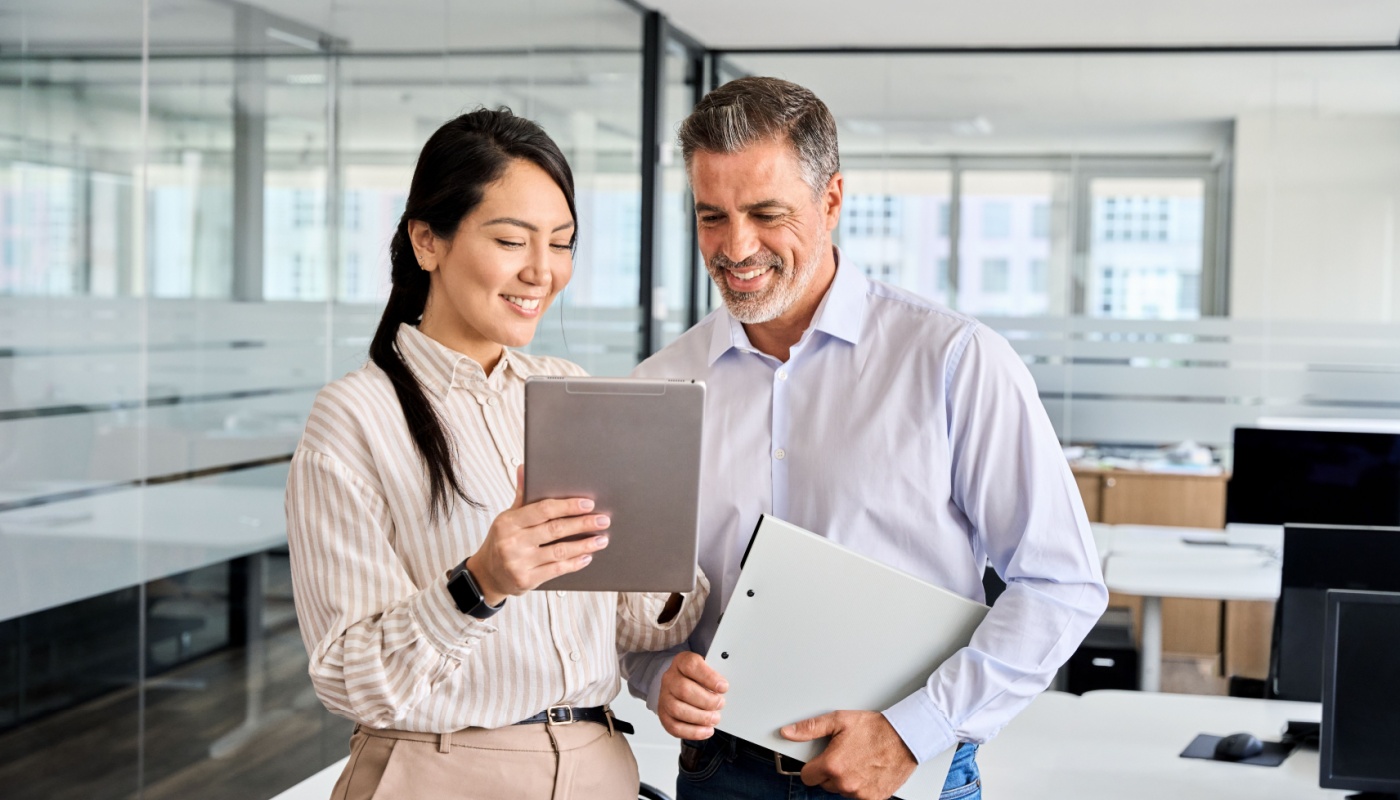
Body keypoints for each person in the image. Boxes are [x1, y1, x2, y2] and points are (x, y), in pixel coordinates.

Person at [621, 77, 1109, 800]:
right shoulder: (660, 386)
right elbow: (630, 605)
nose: (736, 246)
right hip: (722, 775)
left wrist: (916, 728)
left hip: (901, 773)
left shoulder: (953, 360)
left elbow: (1060, 584)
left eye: (765, 213)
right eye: (711, 217)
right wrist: (658, 675)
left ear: (833, 200)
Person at [286, 108, 708, 800]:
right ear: (427, 240)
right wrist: (479, 583)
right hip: (440, 772)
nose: (542, 271)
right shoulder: (355, 417)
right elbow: (348, 675)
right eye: (512, 240)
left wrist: (662, 528)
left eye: (562, 243)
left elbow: (640, 626)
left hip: (597, 766)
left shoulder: (568, 393)